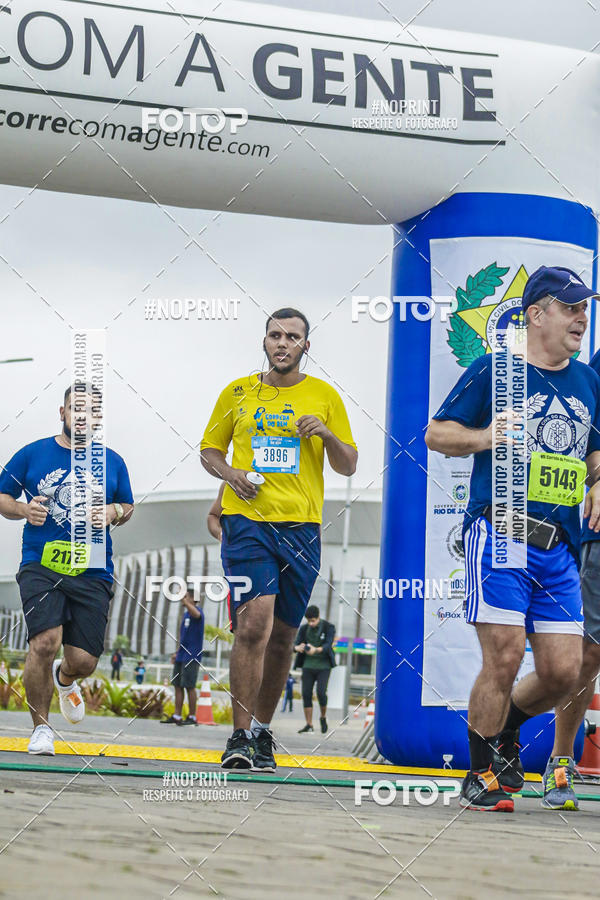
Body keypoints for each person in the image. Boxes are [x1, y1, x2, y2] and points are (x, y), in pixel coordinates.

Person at [425, 266, 600, 812]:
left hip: (560, 544)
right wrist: (486, 435)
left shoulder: (589, 381)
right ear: (536, 314)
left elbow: (593, 452)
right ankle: (478, 773)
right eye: (570, 307)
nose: (581, 317)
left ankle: (506, 733)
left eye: (585, 307)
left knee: (563, 671)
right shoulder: (495, 371)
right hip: (502, 531)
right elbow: (436, 433)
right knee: (503, 656)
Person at [200, 307, 357, 772]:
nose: (282, 343)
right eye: (275, 335)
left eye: (292, 337)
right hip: (247, 523)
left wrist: (327, 434)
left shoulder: (325, 396)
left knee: (285, 637)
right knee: (253, 626)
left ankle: (263, 734)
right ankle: (239, 736)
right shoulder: (238, 392)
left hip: (302, 528)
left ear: (306, 346)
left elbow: (347, 464)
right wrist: (230, 474)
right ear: (264, 342)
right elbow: (210, 449)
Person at [0, 383, 134, 756]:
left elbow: (127, 505)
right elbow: (3, 497)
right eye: (75, 409)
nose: (81, 416)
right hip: (41, 563)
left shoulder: (113, 461)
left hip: (92, 570)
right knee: (44, 642)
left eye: (89, 411)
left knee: (84, 661)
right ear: (62, 413)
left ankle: (65, 679)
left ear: (98, 419)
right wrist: (23, 510)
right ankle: (41, 730)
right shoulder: (33, 454)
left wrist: (112, 512)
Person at [161, 588, 204, 725]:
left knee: (189, 686)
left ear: (192, 598)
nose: (182, 599)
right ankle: (177, 716)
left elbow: (196, 614)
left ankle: (192, 717)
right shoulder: (185, 615)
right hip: (182, 656)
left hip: (192, 656)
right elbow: (183, 638)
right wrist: (177, 652)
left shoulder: (197, 612)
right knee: (177, 685)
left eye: (185, 596)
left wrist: (186, 602)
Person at [293, 605, 336, 733]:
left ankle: (323, 717)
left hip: (324, 666)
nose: (311, 623)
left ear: (318, 618)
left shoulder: (329, 627)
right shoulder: (304, 628)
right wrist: (297, 648)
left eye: (313, 620)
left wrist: (316, 650)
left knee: (321, 693)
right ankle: (309, 724)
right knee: (306, 693)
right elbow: (295, 643)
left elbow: (328, 645)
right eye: (309, 621)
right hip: (307, 665)